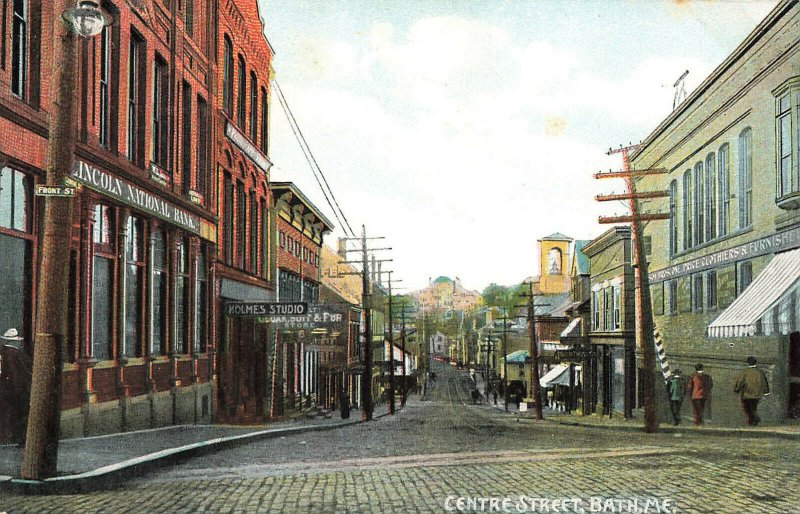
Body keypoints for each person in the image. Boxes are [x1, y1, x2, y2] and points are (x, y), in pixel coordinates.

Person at [734, 356, 770, 426]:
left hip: (747, 393)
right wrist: (766, 392)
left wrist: (737, 389)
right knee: (753, 407)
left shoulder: (745, 372)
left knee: (747, 408)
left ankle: (755, 419)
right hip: (757, 394)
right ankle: (753, 421)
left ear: (748, 363)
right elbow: (764, 382)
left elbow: (741, 382)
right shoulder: (760, 372)